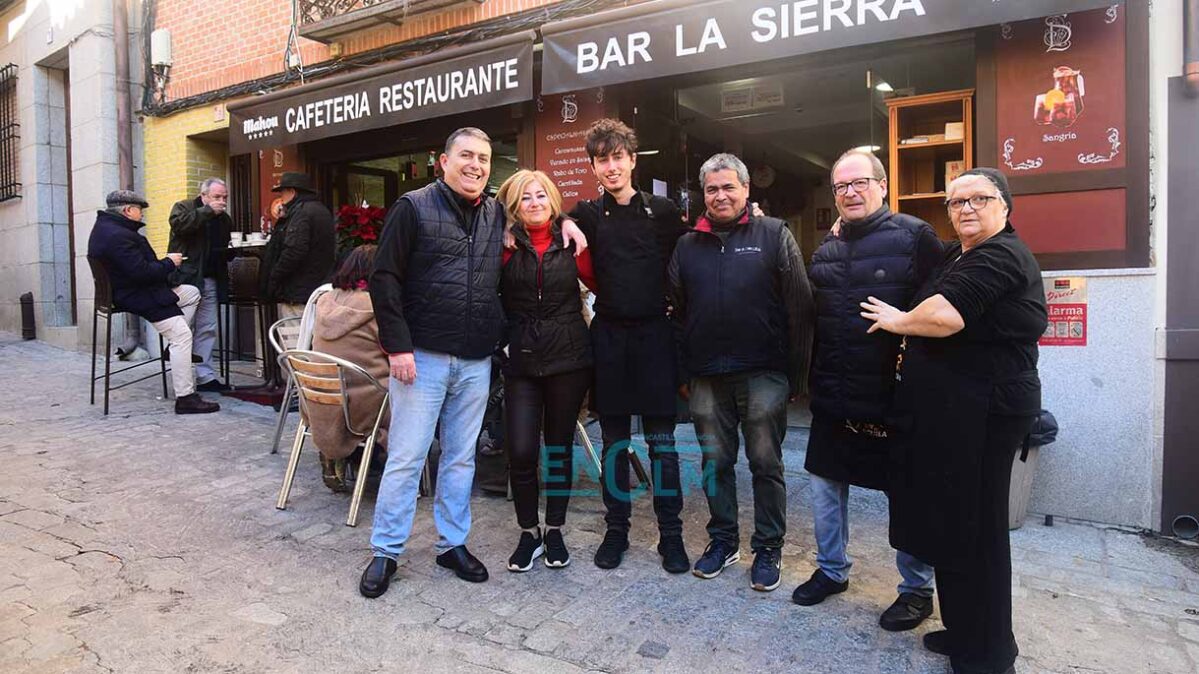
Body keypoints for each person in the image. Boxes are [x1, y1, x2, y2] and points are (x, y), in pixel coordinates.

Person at [361, 128, 587, 598]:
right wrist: (397, 346)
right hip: (421, 357)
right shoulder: (413, 207)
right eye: (466, 155)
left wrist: (566, 220)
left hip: (475, 360)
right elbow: (384, 277)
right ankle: (386, 551)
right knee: (407, 457)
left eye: (484, 158)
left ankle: (451, 544)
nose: (476, 165)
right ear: (442, 161)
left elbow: (537, 210)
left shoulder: (494, 214)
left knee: (461, 458)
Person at [860, 167, 1047, 674]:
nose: (965, 208)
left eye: (978, 199)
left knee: (979, 532)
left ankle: (989, 656)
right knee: (953, 525)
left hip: (987, 412)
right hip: (956, 411)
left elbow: (946, 315)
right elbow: (917, 249)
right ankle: (965, 631)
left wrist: (898, 321)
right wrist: (848, 224)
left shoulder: (1000, 254)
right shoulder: (959, 253)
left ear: (1004, 205)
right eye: (956, 201)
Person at [793, 150, 943, 632]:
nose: (850, 193)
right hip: (834, 392)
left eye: (860, 183)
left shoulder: (916, 237)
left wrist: (909, 330)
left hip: (894, 396)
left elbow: (943, 309)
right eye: (841, 186)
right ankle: (831, 570)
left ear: (883, 185)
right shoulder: (828, 248)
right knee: (824, 484)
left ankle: (917, 590)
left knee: (908, 494)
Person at [668, 153, 814, 592]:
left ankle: (768, 547)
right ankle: (723, 541)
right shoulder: (686, 245)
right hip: (706, 375)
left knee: (765, 462)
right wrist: (684, 373)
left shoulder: (774, 234)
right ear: (703, 194)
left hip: (763, 371)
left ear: (747, 189)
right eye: (712, 189)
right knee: (715, 462)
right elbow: (676, 313)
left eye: (729, 187)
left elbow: (800, 307)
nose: (720, 196)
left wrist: (798, 376)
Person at [567, 118, 690, 573]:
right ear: (593, 167)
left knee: (663, 445)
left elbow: (692, 254)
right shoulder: (586, 213)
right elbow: (546, 219)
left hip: (656, 336)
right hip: (610, 338)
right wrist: (566, 224)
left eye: (618, 157)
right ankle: (615, 531)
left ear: (633, 160)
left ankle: (671, 535)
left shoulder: (663, 211)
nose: (611, 166)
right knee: (614, 444)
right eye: (602, 160)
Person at [495, 169, 597, 572]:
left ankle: (554, 530)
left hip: (568, 358)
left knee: (557, 448)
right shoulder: (502, 244)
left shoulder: (573, 241)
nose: (534, 203)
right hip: (520, 358)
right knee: (521, 450)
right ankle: (528, 532)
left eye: (540, 195)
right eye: (525, 197)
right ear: (514, 206)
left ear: (553, 200)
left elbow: (602, 284)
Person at [87, 190, 220, 415]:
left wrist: (164, 266)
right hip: (137, 295)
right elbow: (142, 273)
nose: (142, 214)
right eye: (140, 210)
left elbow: (136, 268)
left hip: (132, 290)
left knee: (191, 292)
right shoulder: (119, 235)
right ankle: (185, 398)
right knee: (182, 336)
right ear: (128, 210)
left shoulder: (107, 229)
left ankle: (171, 348)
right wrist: (169, 262)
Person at [308, 244, 389, 493]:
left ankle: (343, 456)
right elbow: (395, 350)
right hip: (364, 404)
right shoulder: (377, 306)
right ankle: (403, 474)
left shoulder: (324, 300)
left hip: (319, 399)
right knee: (419, 395)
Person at [168, 177, 233, 393]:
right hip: (186, 280)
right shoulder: (184, 207)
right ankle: (183, 379)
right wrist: (207, 211)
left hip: (210, 279)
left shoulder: (224, 219)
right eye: (217, 197)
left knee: (207, 328)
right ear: (203, 195)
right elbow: (180, 226)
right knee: (182, 330)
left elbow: (224, 247)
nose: (222, 201)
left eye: (224, 197)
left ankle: (205, 377)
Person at [261, 172, 335, 318]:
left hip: (298, 293)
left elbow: (294, 251)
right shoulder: (321, 210)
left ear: (292, 192)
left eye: (282, 192)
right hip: (317, 290)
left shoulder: (301, 213)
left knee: (294, 331)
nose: (281, 197)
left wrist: (275, 275)